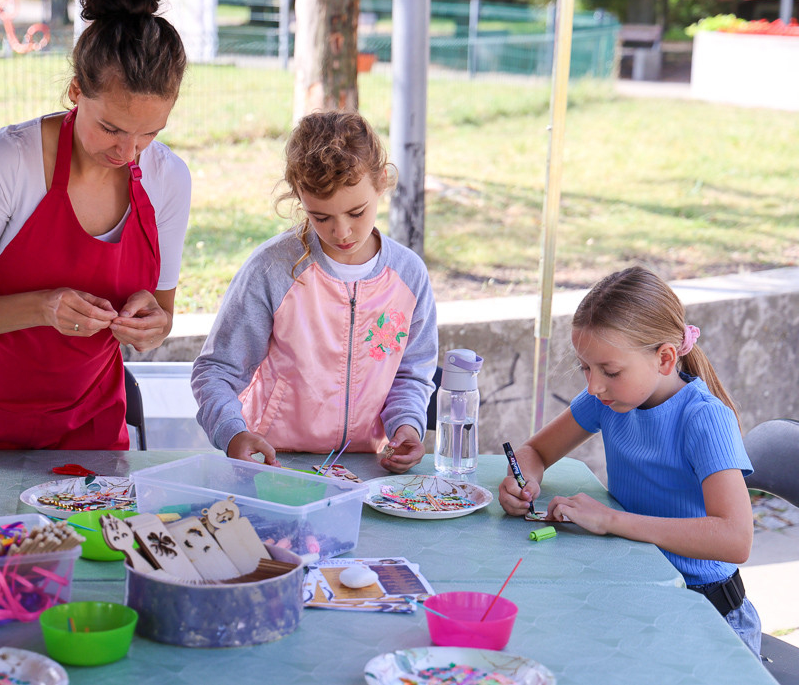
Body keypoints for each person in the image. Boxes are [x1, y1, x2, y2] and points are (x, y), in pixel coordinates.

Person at [0, 0, 189, 450]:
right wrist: (42, 307)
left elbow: (162, 314)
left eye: (150, 133)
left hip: (86, 425)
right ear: (76, 92)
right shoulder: (11, 159)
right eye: (112, 129)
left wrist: (152, 326)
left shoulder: (168, 180)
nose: (129, 152)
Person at [498, 266, 761, 656]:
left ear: (666, 358)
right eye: (585, 367)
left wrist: (612, 521)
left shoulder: (704, 418)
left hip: (706, 613)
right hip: (637, 589)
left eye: (610, 371)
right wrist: (522, 480)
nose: (593, 385)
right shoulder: (608, 399)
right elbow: (535, 452)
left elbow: (736, 539)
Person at [191, 111, 438, 474]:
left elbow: (411, 374)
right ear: (300, 199)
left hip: (367, 470)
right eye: (321, 217)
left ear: (382, 182)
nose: (342, 232)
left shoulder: (409, 275)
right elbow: (216, 371)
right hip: (273, 464)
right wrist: (233, 434)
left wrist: (407, 427)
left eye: (356, 212)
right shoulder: (272, 269)